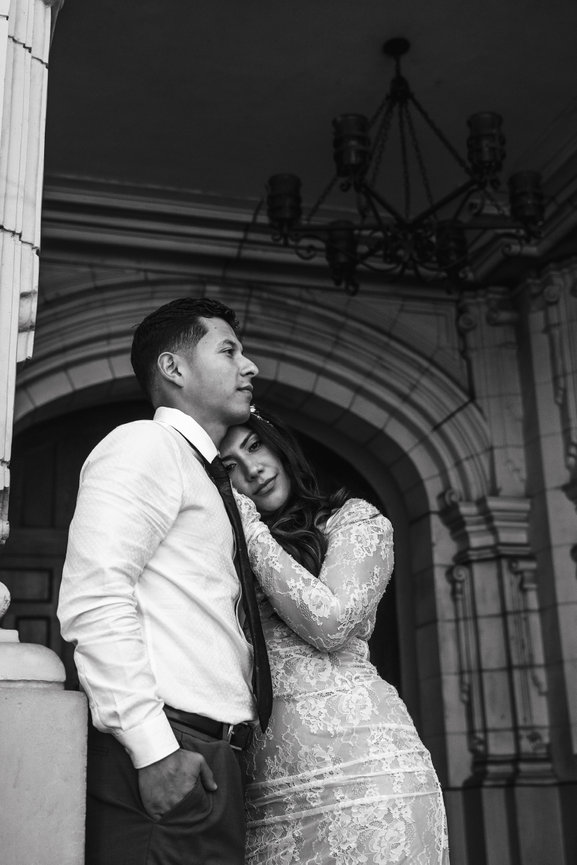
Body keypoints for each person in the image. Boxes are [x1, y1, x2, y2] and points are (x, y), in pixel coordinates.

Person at [57, 297, 272, 865]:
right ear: (173, 369)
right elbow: (95, 598)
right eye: (229, 350)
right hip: (169, 751)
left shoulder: (204, 473)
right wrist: (154, 752)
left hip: (212, 758)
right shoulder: (144, 446)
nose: (250, 367)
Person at [220, 408, 450, 865]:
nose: (252, 470)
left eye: (254, 446)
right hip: (265, 796)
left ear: (278, 444)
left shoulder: (354, 522)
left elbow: (330, 624)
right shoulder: (222, 545)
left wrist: (248, 527)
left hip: (368, 777)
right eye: (229, 467)